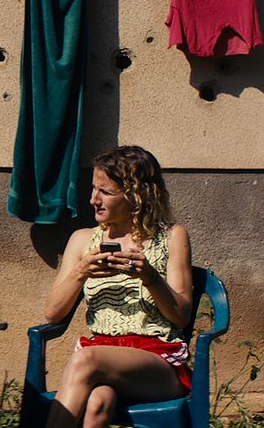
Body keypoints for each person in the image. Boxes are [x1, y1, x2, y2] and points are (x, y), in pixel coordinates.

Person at [42, 146, 194, 428]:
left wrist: (150, 276)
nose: (93, 200)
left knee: (86, 359)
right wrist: (81, 272)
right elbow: (53, 314)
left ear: (137, 196)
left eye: (105, 192)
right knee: (98, 403)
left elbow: (181, 315)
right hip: (103, 357)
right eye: (93, 189)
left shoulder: (171, 237)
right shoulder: (82, 239)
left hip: (157, 360)